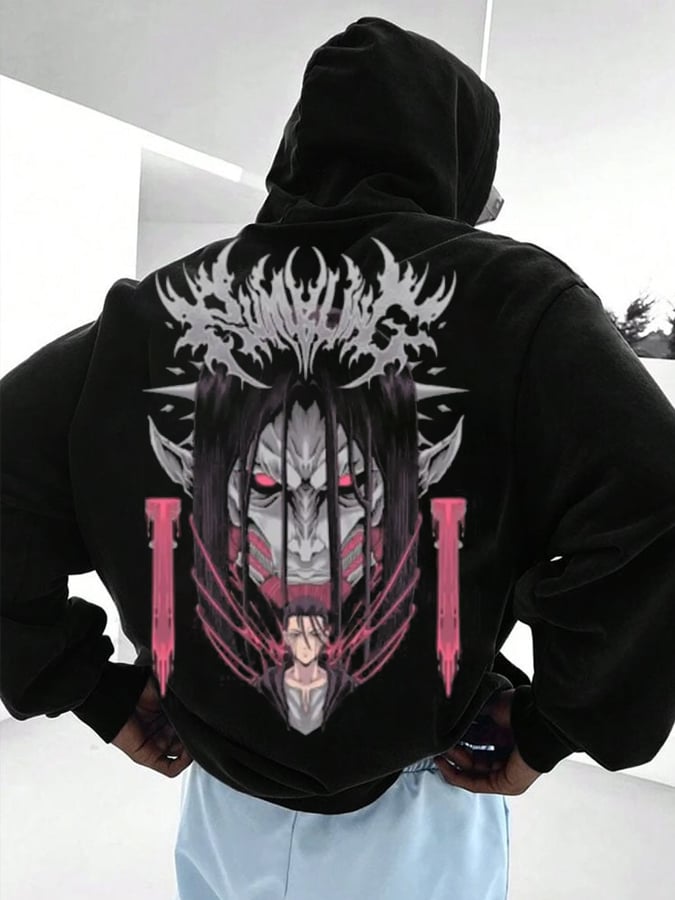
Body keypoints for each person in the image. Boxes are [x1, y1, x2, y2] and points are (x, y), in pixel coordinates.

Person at [2, 15, 674, 900]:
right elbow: (653, 497)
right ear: (458, 157)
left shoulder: (155, 313)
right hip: (422, 803)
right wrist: (554, 724)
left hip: (223, 805)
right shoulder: (516, 304)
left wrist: (87, 686)